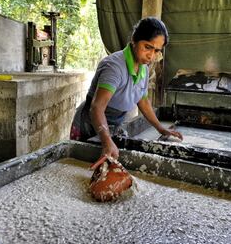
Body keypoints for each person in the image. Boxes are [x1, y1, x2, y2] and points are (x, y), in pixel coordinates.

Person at [70, 17, 183, 168]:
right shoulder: (114, 67)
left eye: (157, 51)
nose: (151, 55)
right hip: (91, 126)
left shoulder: (143, 68)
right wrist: (107, 141)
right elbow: (97, 108)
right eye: (147, 47)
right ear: (134, 40)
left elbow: (142, 101)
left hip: (112, 126)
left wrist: (160, 128)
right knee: (81, 169)